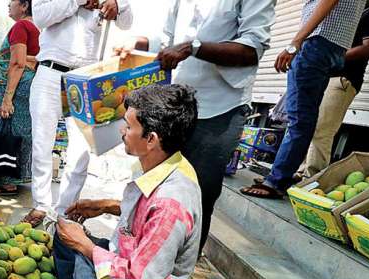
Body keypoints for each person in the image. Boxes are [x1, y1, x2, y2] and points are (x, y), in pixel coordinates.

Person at [34, 84, 202, 279]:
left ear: (151, 139)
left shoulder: (172, 202)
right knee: (63, 238)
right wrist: (105, 206)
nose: (122, 131)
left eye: (128, 126)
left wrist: (87, 247)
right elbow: (147, 214)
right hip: (125, 255)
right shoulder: (168, 164)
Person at [117, 0, 274, 250]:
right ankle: (138, 257)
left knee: (199, 196)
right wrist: (140, 44)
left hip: (219, 108)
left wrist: (193, 48)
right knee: (152, 185)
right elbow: (167, 37)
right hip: (174, 107)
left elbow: (252, 49)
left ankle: (179, 273)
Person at [23, 0, 133, 227]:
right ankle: (41, 206)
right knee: (42, 144)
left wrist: (116, 3)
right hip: (50, 71)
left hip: (87, 77)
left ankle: (65, 211)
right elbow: (41, 17)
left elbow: (126, 22)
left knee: (80, 152)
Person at [241, 0, 365, 198]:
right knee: (305, 118)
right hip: (334, 46)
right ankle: (283, 174)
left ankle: (276, 181)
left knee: (299, 119)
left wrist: (295, 42)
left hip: (317, 41)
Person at [296, 1, 369, 178]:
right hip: (323, 76)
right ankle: (297, 171)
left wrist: (333, 57)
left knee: (322, 129)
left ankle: (311, 177)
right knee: (306, 125)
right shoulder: (343, 15)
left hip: (343, 79)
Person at [0, 0, 39, 196]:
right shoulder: (40, 29)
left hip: (12, 85)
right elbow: (35, 59)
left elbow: (17, 63)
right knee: (19, 131)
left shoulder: (21, 26)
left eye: (12, 1)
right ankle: (14, 178)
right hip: (30, 85)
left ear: (23, 6)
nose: (8, 4)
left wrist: (7, 98)